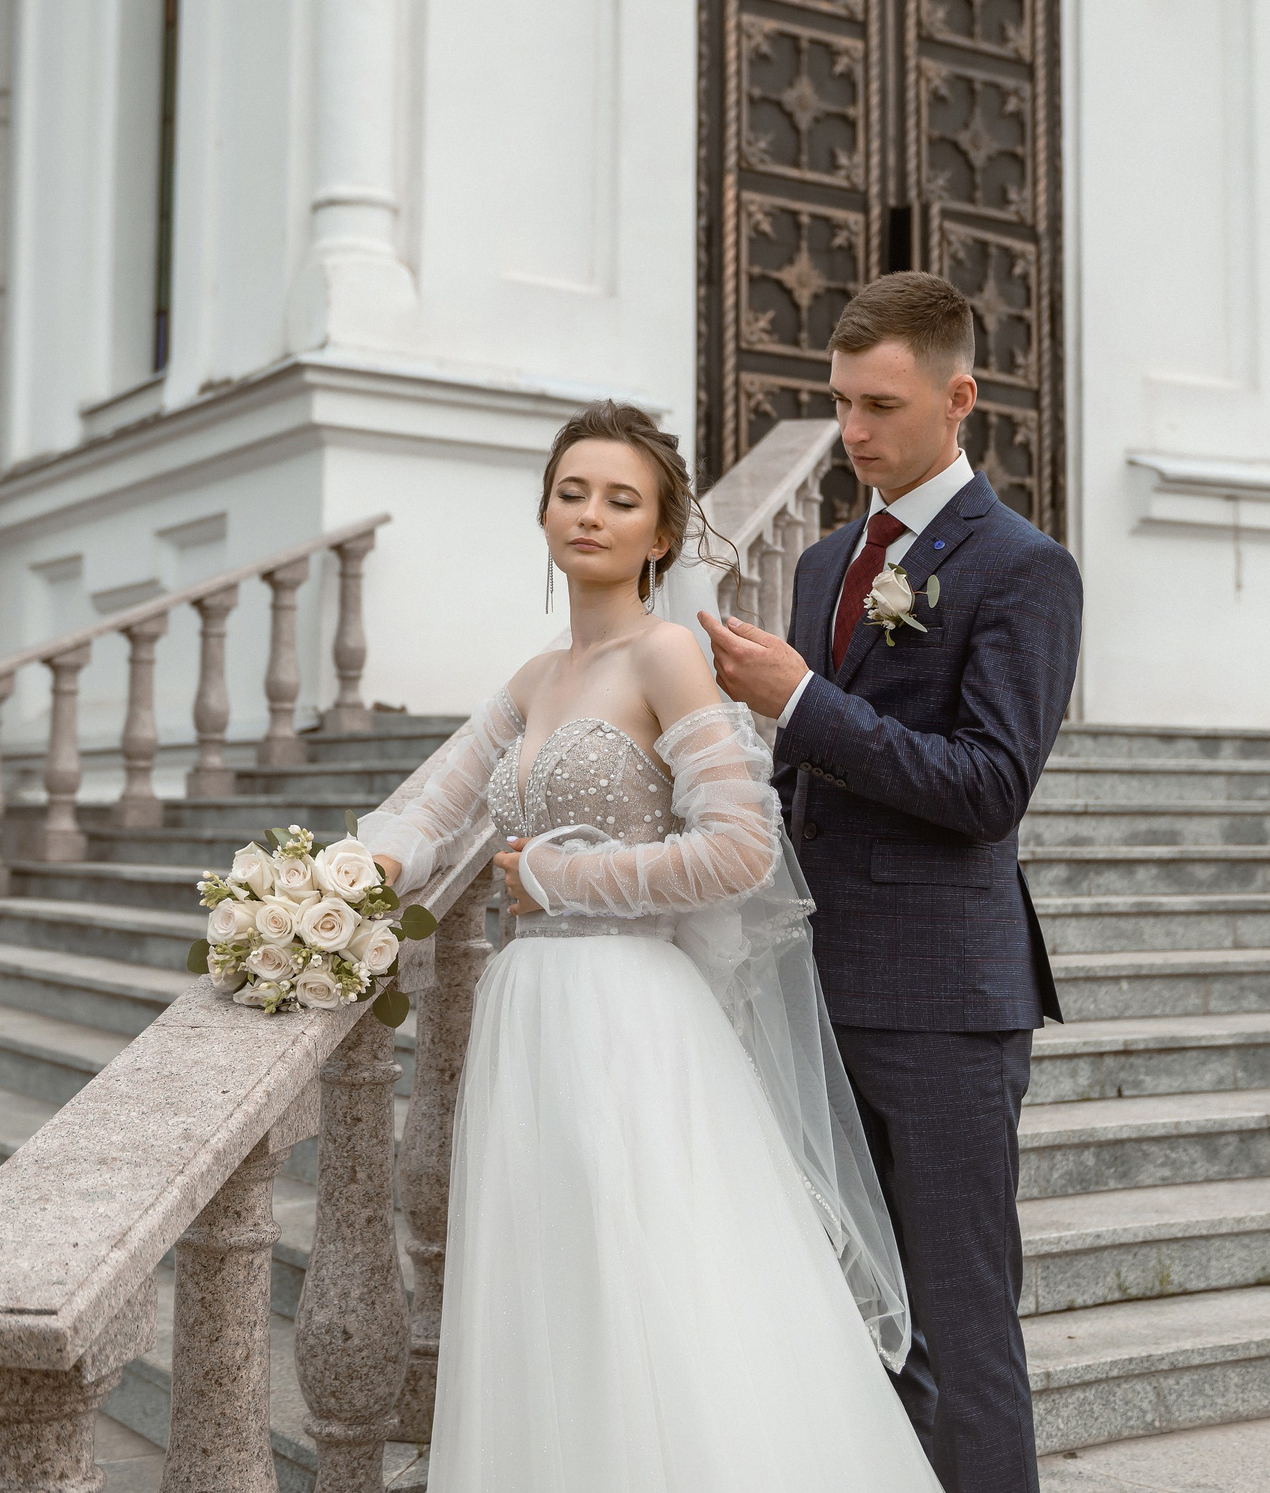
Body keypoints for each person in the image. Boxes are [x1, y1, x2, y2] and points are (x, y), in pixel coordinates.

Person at [359, 400, 942, 1493]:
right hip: (527, 1017)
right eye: (571, 492)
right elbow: (430, 809)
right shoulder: (533, 679)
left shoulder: (667, 654)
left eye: (619, 499)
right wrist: (331, 886)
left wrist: (552, 876)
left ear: (660, 535)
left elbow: (738, 848)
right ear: (542, 512)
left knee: (647, 1287)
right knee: (556, 1292)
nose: (590, 514)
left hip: (630, 1016)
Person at [703, 271, 1081, 1493]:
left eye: (879, 404)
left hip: (944, 1008)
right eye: (841, 402)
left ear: (958, 398)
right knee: (860, 1321)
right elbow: (811, 776)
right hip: (819, 985)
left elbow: (986, 787)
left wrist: (803, 703)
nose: (853, 430)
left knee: (963, 1332)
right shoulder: (822, 566)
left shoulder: (1023, 568)